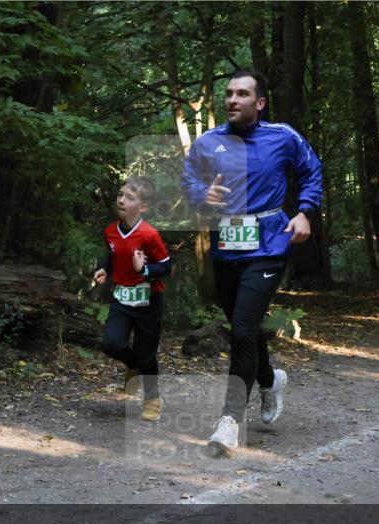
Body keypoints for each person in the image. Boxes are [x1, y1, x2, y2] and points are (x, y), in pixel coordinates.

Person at [181, 69, 322, 454]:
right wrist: (201, 195)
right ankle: (269, 378)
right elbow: (189, 180)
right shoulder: (208, 143)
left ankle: (229, 420)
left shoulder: (283, 136)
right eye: (228, 94)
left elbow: (311, 170)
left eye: (242, 94)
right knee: (244, 325)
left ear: (259, 103)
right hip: (226, 244)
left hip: (269, 243)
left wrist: (305, 212)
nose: (232, 100)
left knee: (243, 327)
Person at [93, 175, 172, 421]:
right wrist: (106, 268)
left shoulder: (149, 235)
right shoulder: (110, 231)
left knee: (147, 353)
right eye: (120, 195)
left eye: (129, 197)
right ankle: (133, 366)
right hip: (121, 298)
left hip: (149, 301)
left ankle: (152, 398)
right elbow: (114, 254)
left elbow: (166, 267)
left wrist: (144, 270)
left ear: (143, 206)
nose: (121, 200)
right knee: (111, 344)